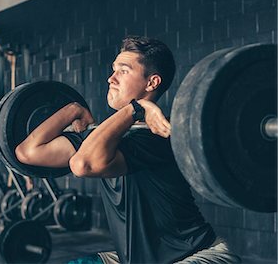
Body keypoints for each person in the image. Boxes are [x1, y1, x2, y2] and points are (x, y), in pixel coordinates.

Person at [15, 36, 241, 263]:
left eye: (123, 71)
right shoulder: (102, 138)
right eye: (113, 70)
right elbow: (28, 151)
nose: (111, 78)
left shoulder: (157, 137)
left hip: (197, 256)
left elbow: (82, 164)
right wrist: (72, 110)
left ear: (151, 83)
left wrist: (135, 108)